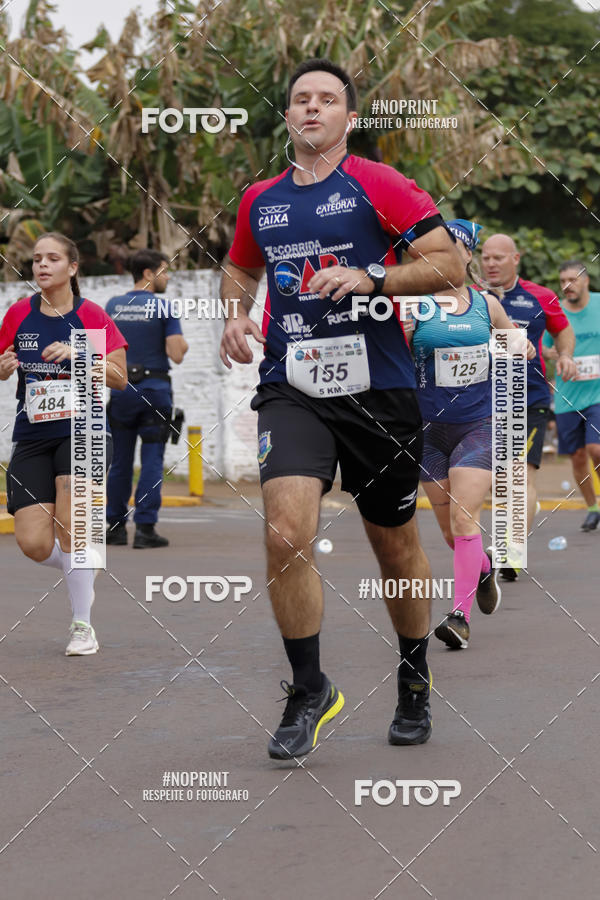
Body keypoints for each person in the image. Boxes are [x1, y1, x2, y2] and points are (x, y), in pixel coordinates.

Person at [219, 57, 464, 759]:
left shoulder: (377, 183)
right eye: (301, 99)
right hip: (292, 383)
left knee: (394, 545)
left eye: (328, 100)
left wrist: (374, 274)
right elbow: (241, 264)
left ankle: (413, 677)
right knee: (285, 531)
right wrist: (236, 314)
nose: (313, 109)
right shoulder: (261, 199)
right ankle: (309, 689)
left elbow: (449, 264)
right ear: (288, 115)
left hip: (378, 393)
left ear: (348, 118)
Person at [0, 232, 127, 654]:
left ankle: (82, 626)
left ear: (72, 268)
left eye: (53, 259)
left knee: (74, 523)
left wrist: (80, 355)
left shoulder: (93, 317)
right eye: (36, 259)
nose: (42, 265)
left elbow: (120, 377)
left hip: (85, 430)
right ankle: (83, 564)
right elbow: (2, 365)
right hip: (33, 434)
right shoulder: (18, 313)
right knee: (33, 543)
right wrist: (2, 367)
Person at [411, 220, 535, 649]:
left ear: (466, 256)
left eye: (455, 248)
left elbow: (513, 339)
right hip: (428, 433)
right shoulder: (414, 306)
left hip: (478, 427)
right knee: (452, 534)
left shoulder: (486, 305)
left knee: (466, 519)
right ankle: (482, 569)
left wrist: (521, 343)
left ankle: (458, 617)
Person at [481, 234, 577, 580]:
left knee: (521, 475)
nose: (490, 263)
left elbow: (562, 331)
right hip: (481, 400)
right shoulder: (473, 299)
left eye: (498, 258)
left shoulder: (542, 296)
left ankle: (510, 550)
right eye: (485, 257)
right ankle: (521, 518)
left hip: (528, 396)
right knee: (495, 480)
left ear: (515, 259)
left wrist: (565, 355)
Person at [105, 250, 188, 548]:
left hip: (122, 391)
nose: (167, 277)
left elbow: (99, 354)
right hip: (154, 390)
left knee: (119, 462)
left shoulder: (112, 306)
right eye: (164, 271)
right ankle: (145, 529)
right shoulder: (163, 307)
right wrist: (183, 342)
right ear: (148, 274)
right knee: (152, 459)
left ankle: (114, 527)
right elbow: (176, 354)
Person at [543, 261, 600, 531]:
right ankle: (592, 507)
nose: (567, 285)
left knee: (596, 449)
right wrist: (558, 354)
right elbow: (543, 349)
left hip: (598, 394)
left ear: (586, 280)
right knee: (577, 457)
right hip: (568, 397)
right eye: (563, 280)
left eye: (573, 279)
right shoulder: (556, 313)